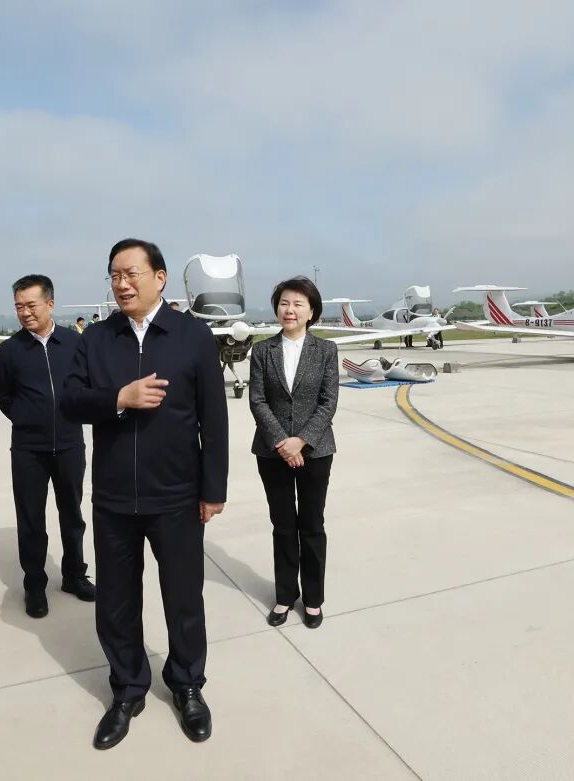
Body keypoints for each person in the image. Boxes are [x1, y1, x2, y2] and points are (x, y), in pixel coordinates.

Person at [62, 238, 228, 750]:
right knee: (115, 601)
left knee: (184, 597)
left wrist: (213, 489)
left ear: (159, 277)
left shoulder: (192, 336)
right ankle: (128, 688)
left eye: (131, 273)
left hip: (177, 495)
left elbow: (214, 418)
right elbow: (70, 401)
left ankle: (187, 685)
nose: (122, 283)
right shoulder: (96, 338)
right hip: (114, 497)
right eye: (114, 274)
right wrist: (119, 398)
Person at [0, 274, 95, 619]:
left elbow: (86, 386)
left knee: (73, 515)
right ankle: (34, 585)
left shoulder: (75, 343)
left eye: (31, 305)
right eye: (19, 306)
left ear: (50, 304)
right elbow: (4, 397)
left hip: (69, 444)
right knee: (31, 520)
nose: (25, 312)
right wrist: (28, 418)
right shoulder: (9, 351)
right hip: (28, 450)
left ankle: (74, 575)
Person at [248, 276, 339, 630]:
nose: (290, 310)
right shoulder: (262, 351)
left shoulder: (326, 350)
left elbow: (328, 402)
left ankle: (313, 598)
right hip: (273, 453)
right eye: (284, 303)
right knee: (283, 525)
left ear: (311, 311)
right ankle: (285, 594)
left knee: (312, 525)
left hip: (315, 451)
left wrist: (301, 440)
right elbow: (257, 400)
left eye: (298, 304)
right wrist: (282, 442)